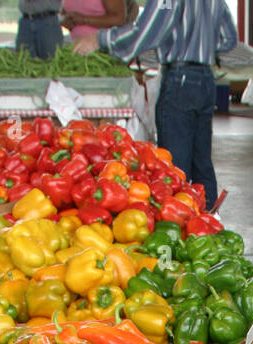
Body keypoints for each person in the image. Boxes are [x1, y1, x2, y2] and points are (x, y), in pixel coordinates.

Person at [73, 0, 238, 211]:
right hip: (205, 77)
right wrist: (199, 46)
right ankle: (211, 224)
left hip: (180, 78)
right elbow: (229, 39)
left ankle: (181, 229)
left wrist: (100, 39)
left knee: (173, 168)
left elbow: (147, 32)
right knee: (202, 163)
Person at [61, 0, 137, 45]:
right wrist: (65, 21)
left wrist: (84, 19)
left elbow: (119, 18)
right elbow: (62, 12)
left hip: (102, 47)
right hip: (76, 46)